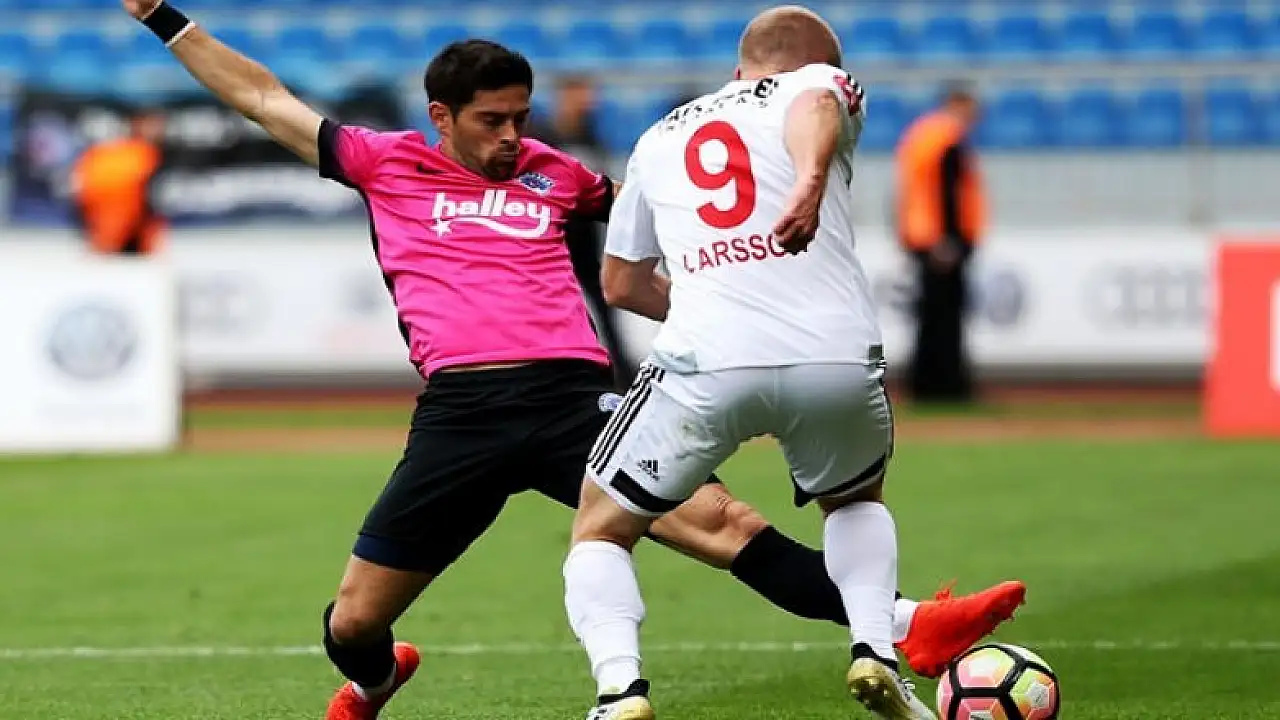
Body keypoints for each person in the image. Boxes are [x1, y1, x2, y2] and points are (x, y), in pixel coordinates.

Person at [121, 2, 1024, 719]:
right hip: (460, 413)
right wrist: (164, 16)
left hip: (573, 397)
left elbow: (660, 221)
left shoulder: (557, 173)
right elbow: (262, 98)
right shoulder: (382, 162)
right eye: (492, 121)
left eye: (520, 117)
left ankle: (908, 624)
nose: (513, 136)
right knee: (354, 622)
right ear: (440, 117)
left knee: (724, 525)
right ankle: (375, 681)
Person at [561, 7, 1000, 720]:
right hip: (833, 355)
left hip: (705, 359)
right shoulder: (820, 85)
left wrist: (718, 307)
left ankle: (621, 692)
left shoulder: (658, 136)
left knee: (602, 528)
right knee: (855, 502)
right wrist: (809, 178)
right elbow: (815, 104)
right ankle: (874, 649)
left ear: (740, 69)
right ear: (822, 63)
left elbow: (620, 284)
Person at [527, 74, 633, 386]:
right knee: (552, 310)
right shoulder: (543, 137)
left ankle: (620, 374)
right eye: (581, 95)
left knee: (605, 309)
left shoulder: (591, 137)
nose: (588, 102)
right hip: (553, 242)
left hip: (586, 241)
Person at [895, 85, 985, 403]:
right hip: (941, 240)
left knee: (930, 315)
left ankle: (926, 384)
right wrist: (949, 239)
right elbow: (948, 194)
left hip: (921, 236)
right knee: (945, 317)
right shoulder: (947, 139)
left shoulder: (921, 136)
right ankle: (946, 385)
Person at [70, 106, 167, 255]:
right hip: (114, 234)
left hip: (117, 236)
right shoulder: (140, 154)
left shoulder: (143, 153)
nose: (157, 130)